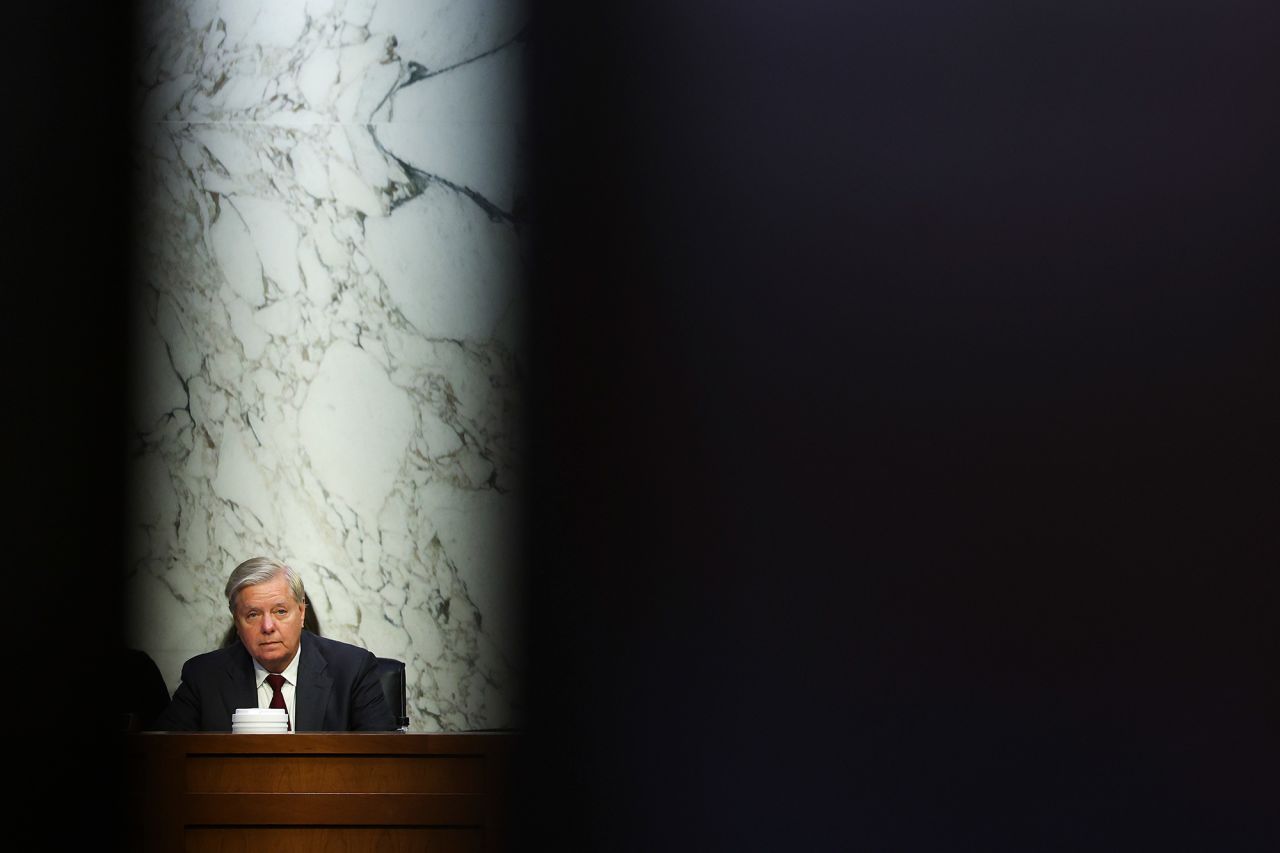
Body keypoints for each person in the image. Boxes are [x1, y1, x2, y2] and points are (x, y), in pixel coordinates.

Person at [151, 557, 396, 731]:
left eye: (280, 611)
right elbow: (165, 759)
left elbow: (381, 762)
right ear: (237, 622)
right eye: (253, 615)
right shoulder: (204, 677)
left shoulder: (352, 669)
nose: (268, 627)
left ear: (301, 613)